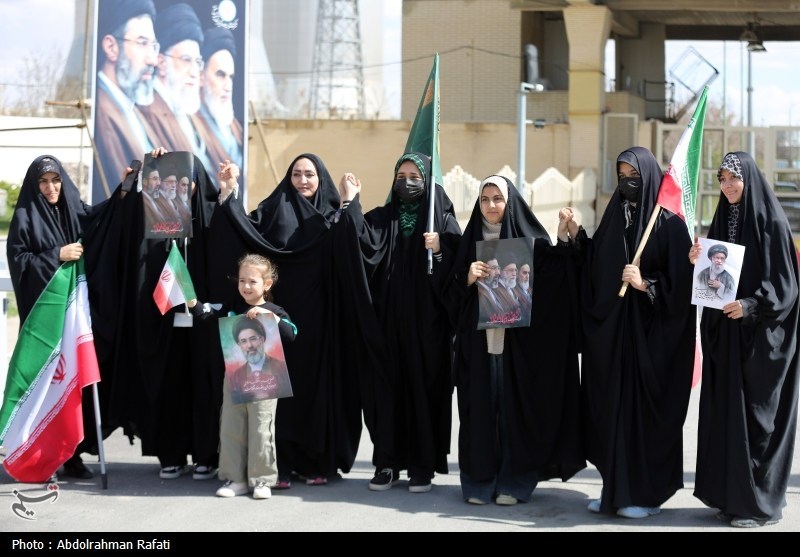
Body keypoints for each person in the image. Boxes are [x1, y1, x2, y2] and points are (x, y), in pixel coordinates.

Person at [210, 154, 371, 489]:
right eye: (296, 174)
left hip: (321, 322)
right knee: (273, 394)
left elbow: (354, 247)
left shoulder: (333, 214)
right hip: (273, 322)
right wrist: (229, 190)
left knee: (315, 390)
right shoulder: (274, 209)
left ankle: (316, 462)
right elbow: (245, 231)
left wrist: (350, 201)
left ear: (320, 178)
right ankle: (275, 465)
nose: (302, 180)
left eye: (309, 174)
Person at [568, 146, 696, 519]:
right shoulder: (614, 218)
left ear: (649, 177)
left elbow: (683, 287)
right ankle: (614, 491)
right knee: (611, 413)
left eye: (634, 176)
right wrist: (576, 236)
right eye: (622, 175)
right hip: (614, 341)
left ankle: (645, 495)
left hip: (651, 344)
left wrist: (646, 284)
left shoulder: (669, 224)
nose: (627, 182)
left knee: (642, 419)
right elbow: (594, 264)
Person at [444, 175, 585, 505]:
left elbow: (555, 278)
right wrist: (467, 278)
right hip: (479, 349)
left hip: (518, 352)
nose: (491, 205)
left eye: (498, 199)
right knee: (480, 415)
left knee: (513, 416)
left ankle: (514, 482)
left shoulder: (529, 243)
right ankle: (479, 482)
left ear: (510, 204)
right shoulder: (468, 244)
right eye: (484, 199)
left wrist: (563, 238)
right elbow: (447, 298)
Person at [337, 153, 462, 493]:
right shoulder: (382, 218)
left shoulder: (442, 220)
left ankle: (422, 466)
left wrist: (440, 249)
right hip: (388, 325)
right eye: (401, 176)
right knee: (385, 391)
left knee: (424, 391)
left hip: (428, 328)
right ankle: (386, 463)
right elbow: (358, 245)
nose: (406, 182)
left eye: (414, 176)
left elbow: (460, 269)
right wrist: (350, 201)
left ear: (427, 181)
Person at [688, 152, 799, 528]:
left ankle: (756, 505)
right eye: (721, 179)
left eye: (733, 178)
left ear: (748, 178)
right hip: (728, 339)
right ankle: (729, 498)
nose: (727, 186)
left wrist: (751, 305)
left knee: (756, 421)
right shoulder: (723, 220)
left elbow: (785, 287)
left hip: (759, 342)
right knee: (727, 419)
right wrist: (697, 261)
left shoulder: (771, 222)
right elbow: (712, 281)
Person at [6, 155, 128, 480]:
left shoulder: (74, 209)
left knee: (76, 387)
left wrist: (123, 189)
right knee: (45, 387)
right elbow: (20, 262)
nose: (51, 188)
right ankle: (39, 457)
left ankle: (72, 455)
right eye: (43, 182)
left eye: (56, 180)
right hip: (44, 323)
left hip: (75, 319)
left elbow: (99, 220)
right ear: (35, 186)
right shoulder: (25, 217)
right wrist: (56, 255)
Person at [196, 255, 297, 499]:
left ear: (267, 284)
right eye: (242, 280)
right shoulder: (231, 306)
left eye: (253, 281)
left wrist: (270, 317)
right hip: (235, 380)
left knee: (262, 428)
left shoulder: (274, 310)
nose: (246, 286)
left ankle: (262, 480)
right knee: (231, 427)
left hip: (266, 382)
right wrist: (191, 301)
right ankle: (236, 479)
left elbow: (291, 332)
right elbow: (206, 313)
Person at [93, 0, 159, 200]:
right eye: (142, 43)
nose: (152, 59)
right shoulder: (100, 113)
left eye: (154, 46)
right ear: (111, 47)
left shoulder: (130, 108)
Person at [140, 3, 212, 172]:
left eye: (197, 62)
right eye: (186, 60)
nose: (194, 72)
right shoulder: (148, 113)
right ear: (162, 63)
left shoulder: (185, 113)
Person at [194, 27, 244, 173]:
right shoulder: (190, 125)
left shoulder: (235, 127)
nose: (228, 87)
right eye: (221, 75)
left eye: (231, 77)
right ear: (201, 76)